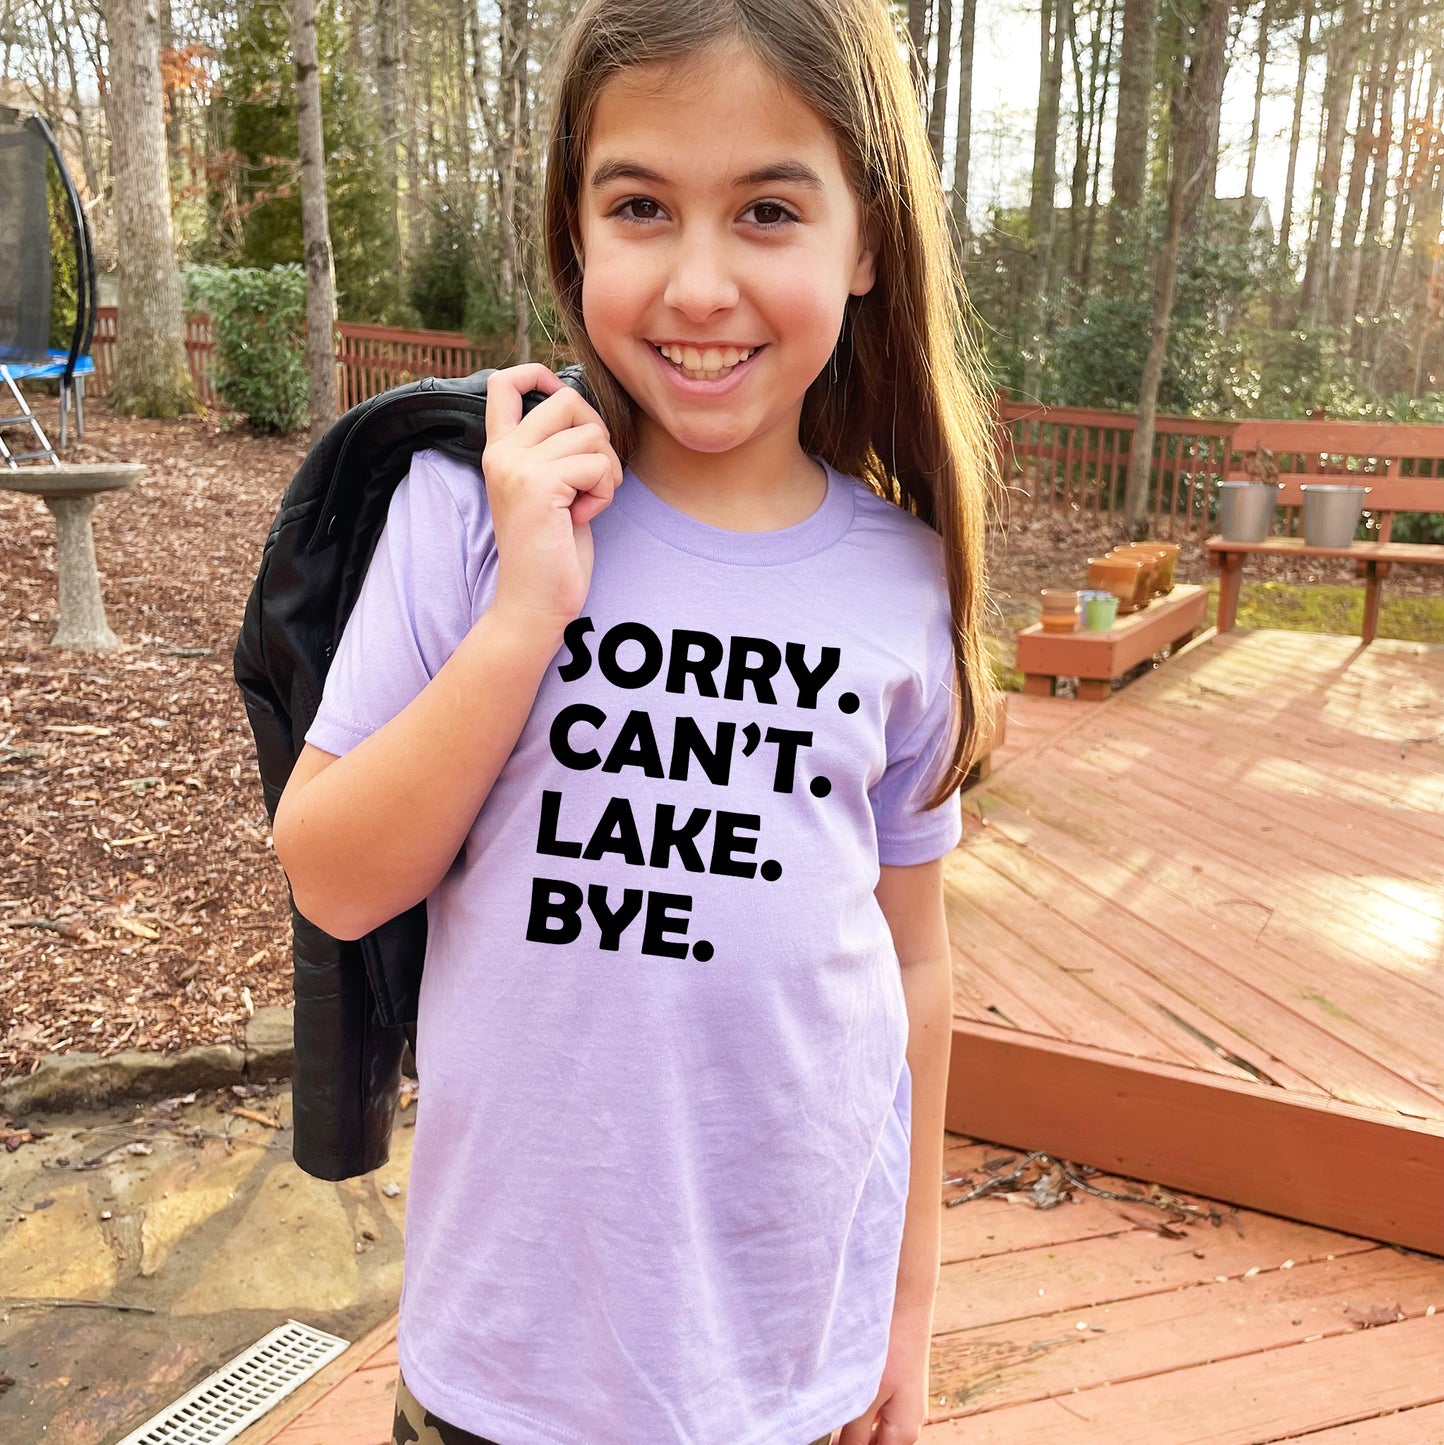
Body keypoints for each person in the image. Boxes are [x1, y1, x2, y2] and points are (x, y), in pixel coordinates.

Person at [271, 0, 998, 1440]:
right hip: (507, 1369)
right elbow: (335, 876)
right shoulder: (469, 514)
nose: (699, 281)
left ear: (864, 245)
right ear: (576, 227)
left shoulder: (903, 579)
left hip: (790, 1370)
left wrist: (903, 1314)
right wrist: (528, 608)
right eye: (642, 206)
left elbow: (911, 968)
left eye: (770, 210)